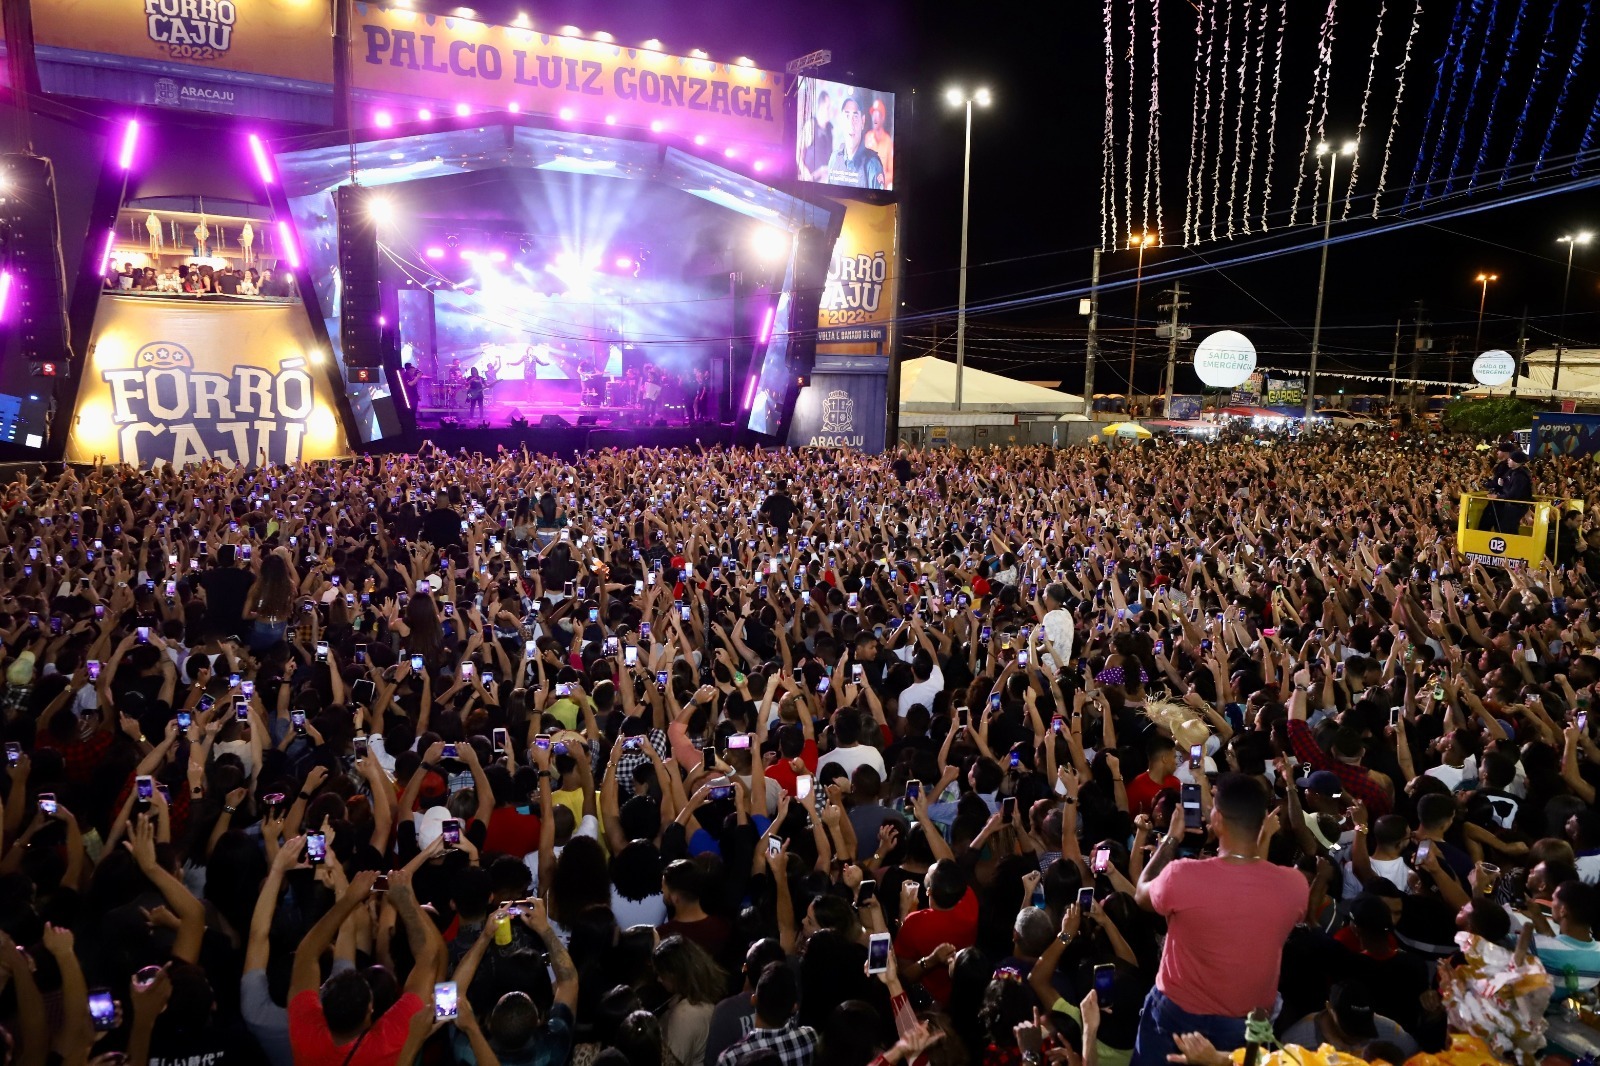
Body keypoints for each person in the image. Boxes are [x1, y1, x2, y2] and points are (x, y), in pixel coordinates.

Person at [1132, 774, 1308, 1065]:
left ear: (1217, 820)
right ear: (1262, 821)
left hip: (1177, 1014)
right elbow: (1252, 888)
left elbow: (1141, 893)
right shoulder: (1295, 886)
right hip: (1245, 1026)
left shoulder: (1182, 876)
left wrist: (1173, 838)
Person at [827, 93, 887, 190]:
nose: (851, 123)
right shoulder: (834, 159)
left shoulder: (873, 166)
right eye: (847, 116)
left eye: (855, 116)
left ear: (862, 122)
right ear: (842, 121)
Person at [1477, 441, 1534, 533]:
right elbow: (1504, 484)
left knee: (1507, 530)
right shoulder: (1513, 472)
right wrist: (1500, 484)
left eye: (1510, 459)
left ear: (1516, 461)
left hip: (1514, 506)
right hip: (1509, 505)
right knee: (1503, 528)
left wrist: (1498, 496)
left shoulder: (1520, 476)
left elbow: (1514, 494)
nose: (1508, 460)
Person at [864, 98, 895, 188]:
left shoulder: (888, 141)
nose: (874, 118)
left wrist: (881, 177)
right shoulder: (868, 137)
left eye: (877, 114)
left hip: (882, 188)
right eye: (873, 114)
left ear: (883, 118)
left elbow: (892, 173)